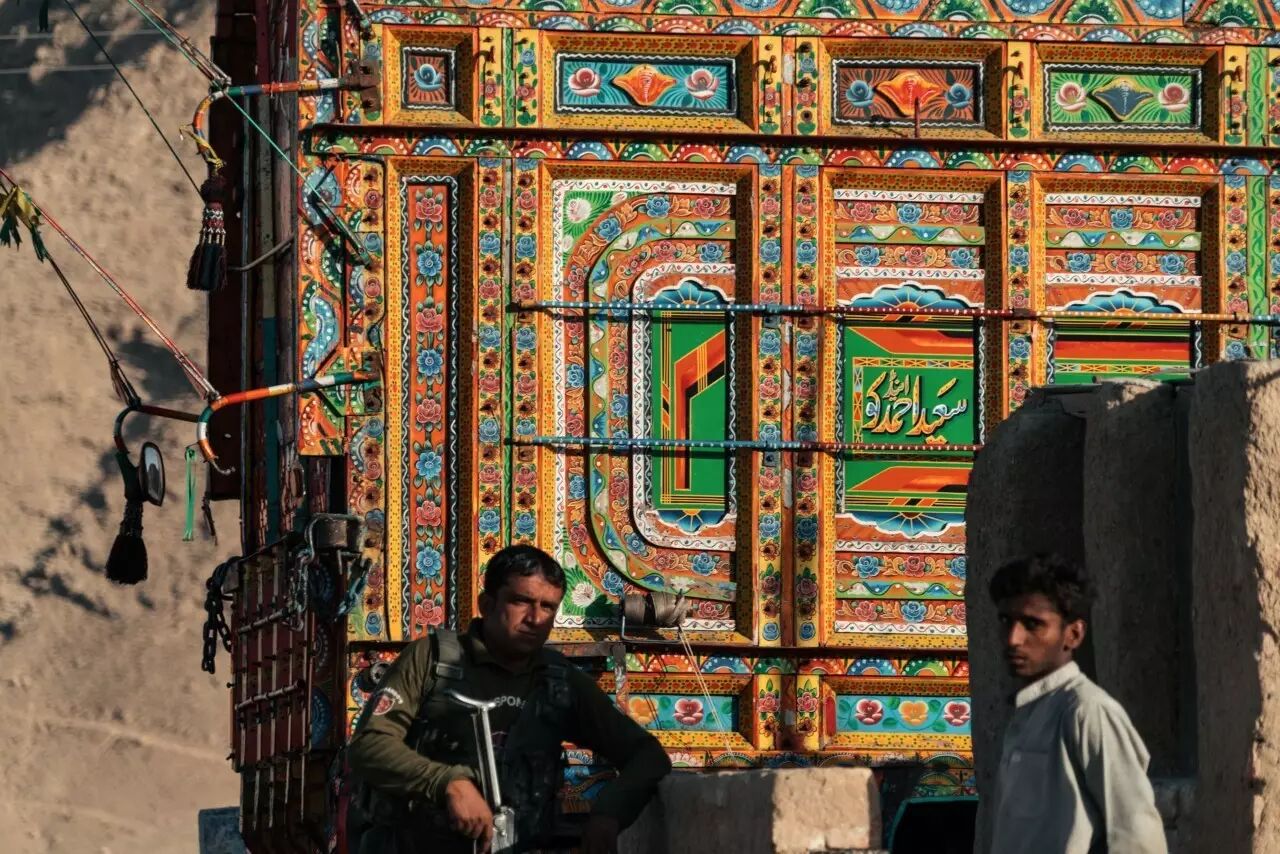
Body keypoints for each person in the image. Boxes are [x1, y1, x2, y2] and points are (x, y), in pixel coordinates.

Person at [347, 545, 671, 854]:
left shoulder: (558, 680)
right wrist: (447, 783)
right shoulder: (433, 660)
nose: (535, 618)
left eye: (548, 607)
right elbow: (369, 745)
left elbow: (647, 755)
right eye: (521, 601)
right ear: (487, 605)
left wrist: (609, 814)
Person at [988, 554, 1166, 854]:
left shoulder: (1086, 710)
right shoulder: (1028, 714)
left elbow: (1136, 836)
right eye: (1006, 621)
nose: (1013, 639)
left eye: (1032, 624)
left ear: (1073, 634)